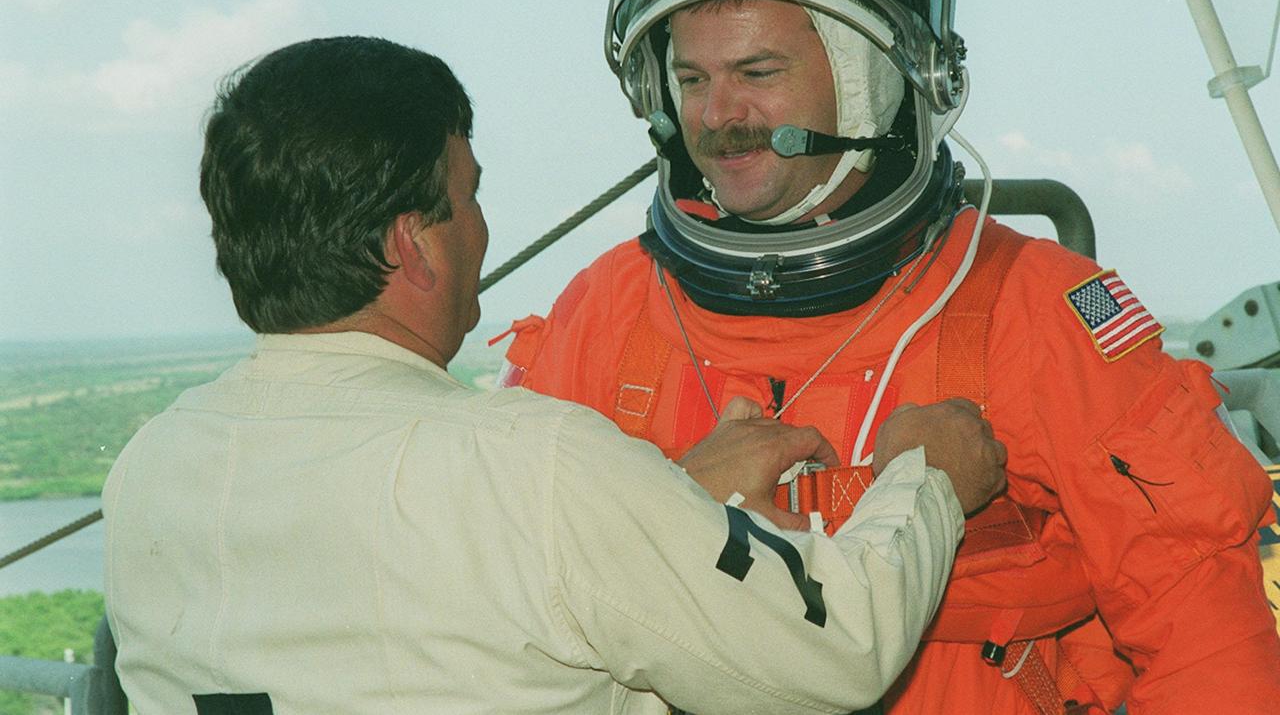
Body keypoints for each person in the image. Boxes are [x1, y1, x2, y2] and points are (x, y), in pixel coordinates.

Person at [500, 0, 1280, 714]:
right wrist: (673, 506)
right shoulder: (606, 315)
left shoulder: (1036, 309)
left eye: (758, 71)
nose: (718, 115)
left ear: (874, 81)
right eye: (690, 77)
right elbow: (500, 614)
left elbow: (1203, 635)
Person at [101, 35, 1009, 715]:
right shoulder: (536, 467)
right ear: (410, 247)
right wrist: (924, 479)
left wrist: (667, 496)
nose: (482, 228)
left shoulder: (150, 467)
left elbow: (437, 592)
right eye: (468, 196)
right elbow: (842, 646)